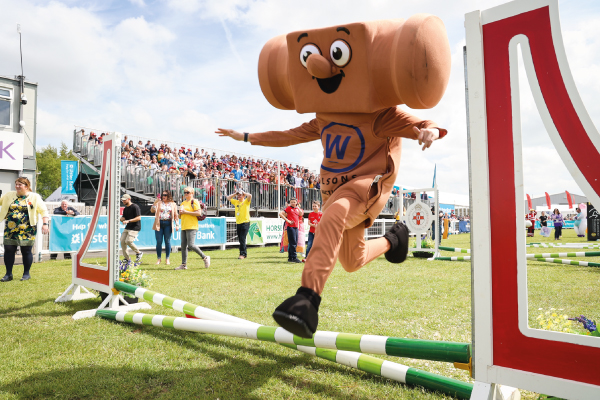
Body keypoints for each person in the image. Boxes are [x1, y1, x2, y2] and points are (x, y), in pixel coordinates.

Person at [215, 16, 449, 338]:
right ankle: (395, 239)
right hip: (333, 191)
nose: (318, 65)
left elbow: (418, 123)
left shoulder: (380, 115)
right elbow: (288, 135)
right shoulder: (324, 117)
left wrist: (429, 131)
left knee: (334, 214)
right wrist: (245, 136)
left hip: (365, 189)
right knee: (352, 261)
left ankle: (307, 300)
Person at [0, 178, 49, 282]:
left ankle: (26, 274)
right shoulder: (9, 195)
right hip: (10, 228)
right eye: (16, 184)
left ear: (26, 186)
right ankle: (8, 274)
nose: (17, 186)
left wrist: (45, 224)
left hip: (28, 228)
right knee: (8, 249)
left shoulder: (34, 197)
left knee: (26, 250)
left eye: (20, 185)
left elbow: (44, 211)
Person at [176, 187, 210, 270]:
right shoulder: (183, 203)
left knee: (191, 245)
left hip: (192, 226)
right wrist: (179, 214)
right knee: (183, 246)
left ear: (192, 193)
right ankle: (183, 265)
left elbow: (198, 213)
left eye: (187, 192)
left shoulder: (194, 201)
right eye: (185, 192)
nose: (186, 194)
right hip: (184, 225)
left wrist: (185, 212)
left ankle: (205, 257)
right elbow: (180, 216)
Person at [151, 190, 179, 265]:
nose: (163, 196)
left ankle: (167, 259)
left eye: (165, 195)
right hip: (159, 223)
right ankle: (159, 259)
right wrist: (155, 203)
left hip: (168, 224)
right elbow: (152, 210)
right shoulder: (159, 202)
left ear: (169, 195)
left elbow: (176, 215)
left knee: (167, 241)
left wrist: (177, 224)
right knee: (159, 242)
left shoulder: (173, 204)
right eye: (162, 195)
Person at [227, 189, 252, 259]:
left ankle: (242, 254)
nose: (239, 196)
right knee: (240, 239)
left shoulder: (246, 202)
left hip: (245, 222)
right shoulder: (236, 202)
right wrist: (235, 193)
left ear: (243, 196)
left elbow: (250, 195)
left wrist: (244, 193)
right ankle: (244, 253)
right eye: (238, 195)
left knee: (242, 238)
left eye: (240, 195)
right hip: (238, 223)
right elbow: (228, 198)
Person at [120, 194, 143, 263]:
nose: (123, 201)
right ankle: (127, 259)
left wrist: (128, 221)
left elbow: (138, 218)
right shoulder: (125, 208)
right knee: (122, 241)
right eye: (122, 200)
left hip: (135, 227)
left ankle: (138, 252)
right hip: (128, 227)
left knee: (128, 241)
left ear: (129, 199)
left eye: (124, 200)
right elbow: (124, 218)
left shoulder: (135, 207)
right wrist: (120, 219)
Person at [279, 198, 302, 263]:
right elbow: (280, 214)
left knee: (294, 242)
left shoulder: (297, 209)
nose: (293, 203)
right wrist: (287, 220)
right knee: (293, 243)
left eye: (294, 202)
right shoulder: (288, 208)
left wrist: (298, 208)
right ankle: (294, 257)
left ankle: (290, 257)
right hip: (291, 227)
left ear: (296, 202)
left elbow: (300, 214)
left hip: (296, 227)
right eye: (291, 202)